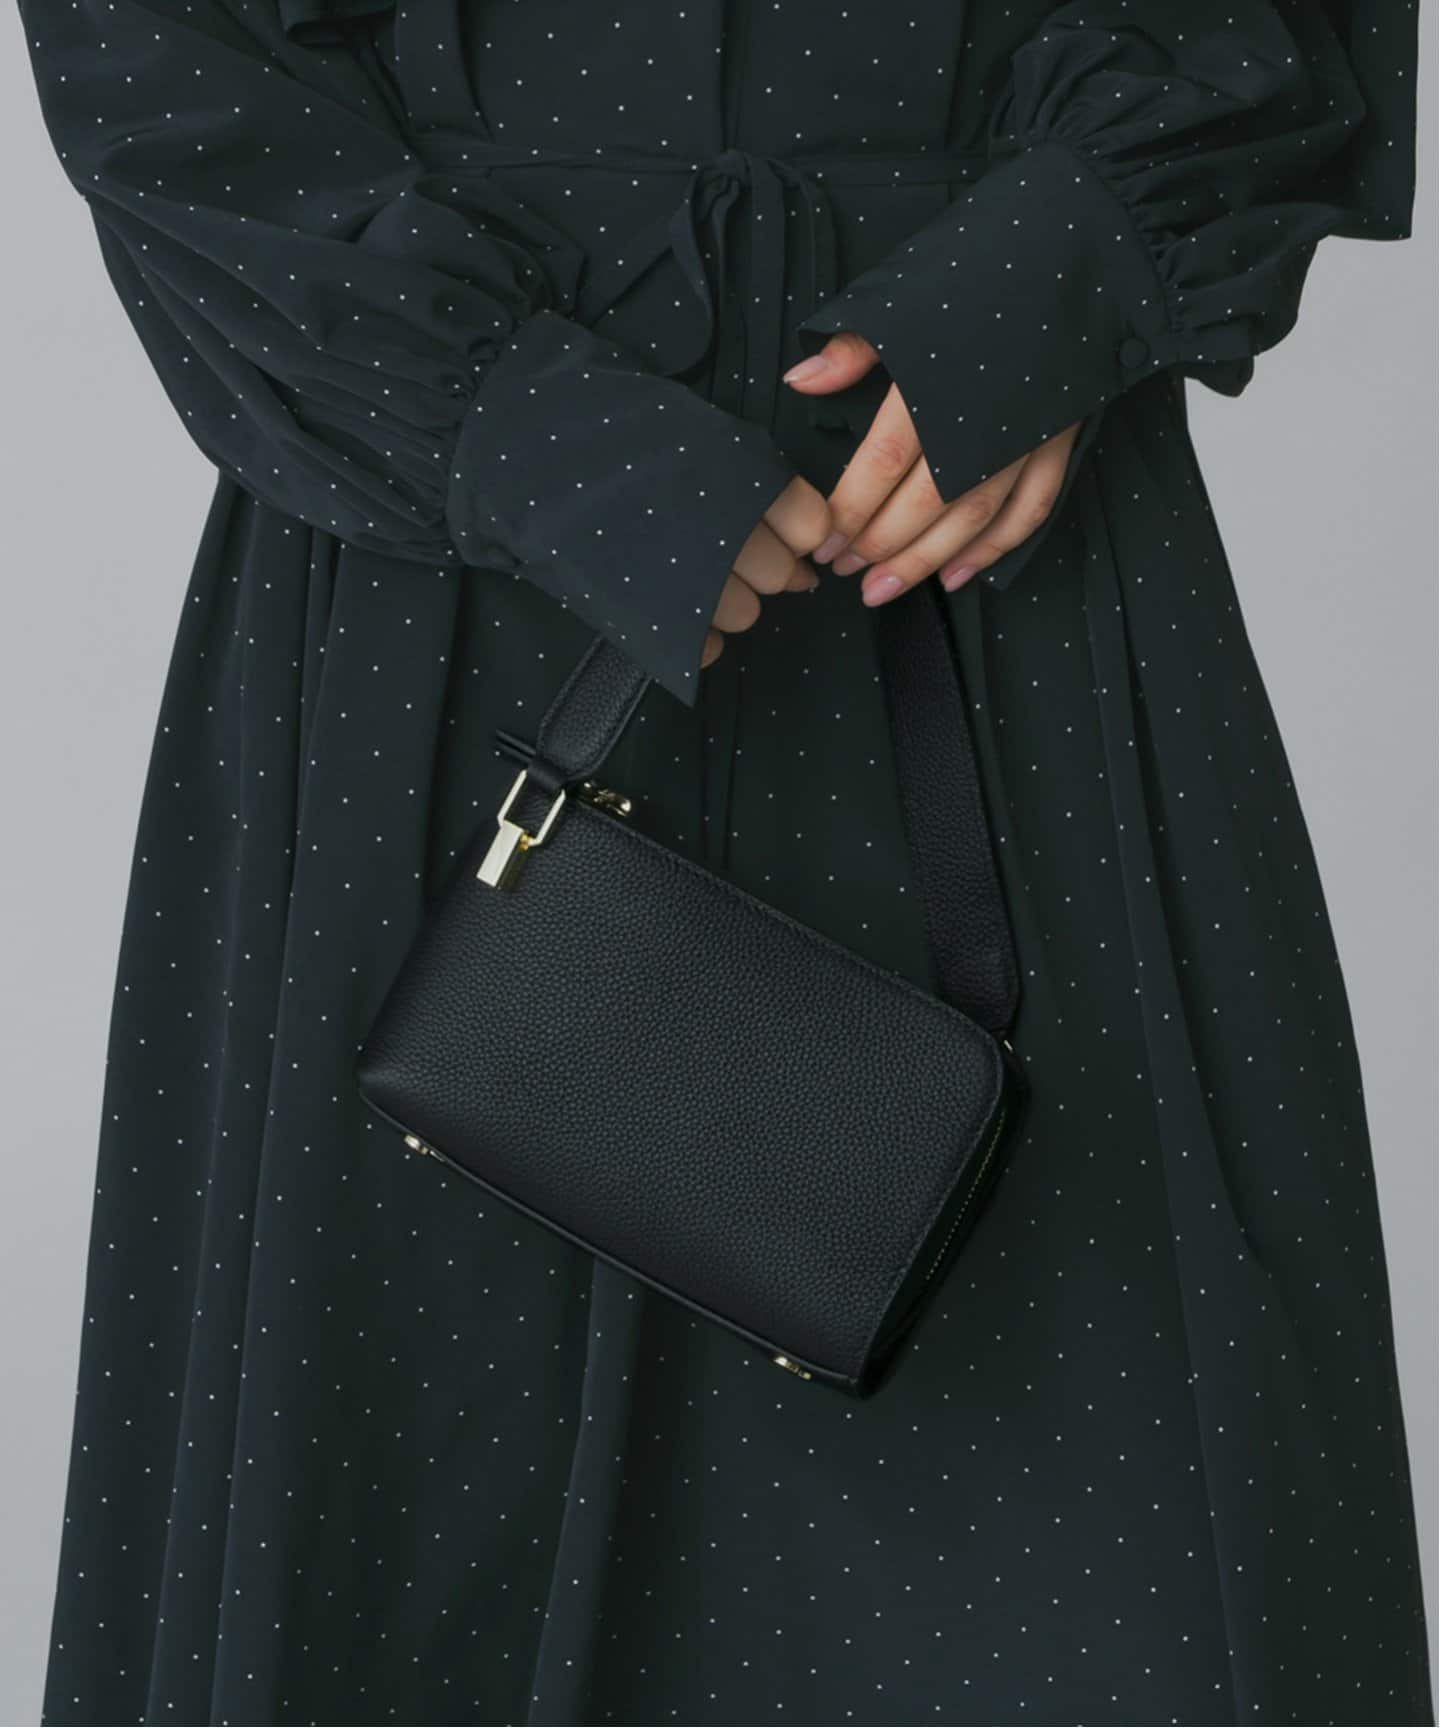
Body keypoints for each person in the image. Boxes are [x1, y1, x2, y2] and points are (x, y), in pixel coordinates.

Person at [22, 1, 1432, 1723]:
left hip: (982, 537)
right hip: (437, 565)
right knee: (393, 1557)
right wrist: (507, 412)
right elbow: (149, 42)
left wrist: (1069, 260)